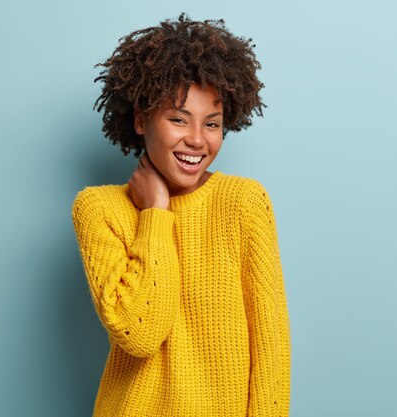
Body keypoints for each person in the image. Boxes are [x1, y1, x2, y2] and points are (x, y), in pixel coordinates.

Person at [72, 13, 291, 417]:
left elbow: (270, 345)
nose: (196, 138)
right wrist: (155, 213)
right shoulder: (98, 208)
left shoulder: (244, 202)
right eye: (178, 119)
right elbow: (139, 332)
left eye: (212, 124)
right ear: (140, 120)